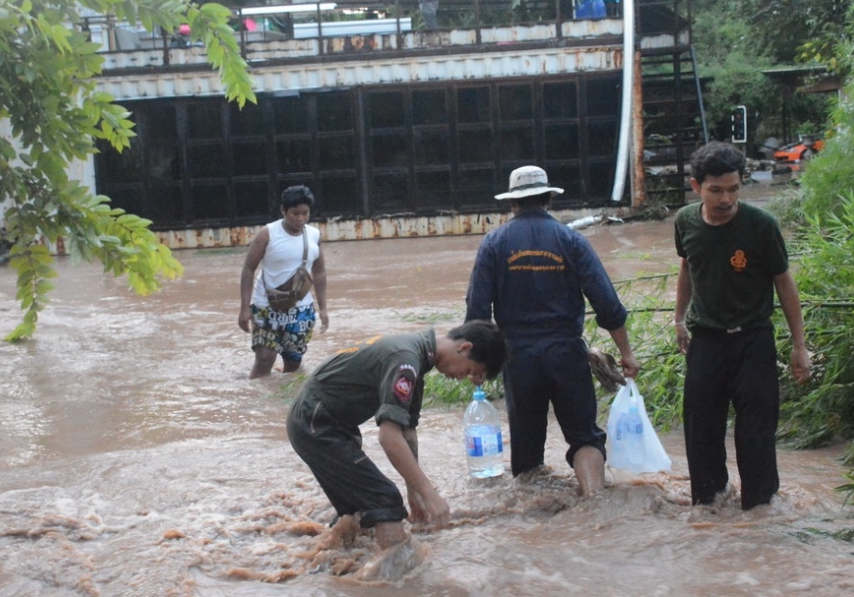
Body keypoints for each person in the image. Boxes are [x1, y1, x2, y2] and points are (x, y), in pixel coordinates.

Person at [465, 165, 638, 497]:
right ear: (548, 199)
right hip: (567, 354)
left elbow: (477, 312)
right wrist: (626, 353)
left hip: (518, 358)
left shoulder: (495, 243)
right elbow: (607, 303)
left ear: (513, 203)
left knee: (527, 442)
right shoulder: (571, 240)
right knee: (584, 436)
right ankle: (594, 502)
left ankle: (533, 521)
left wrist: (479, 365)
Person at [286, 321, 509, 550]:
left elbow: (407, 431)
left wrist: (414, 492)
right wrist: (429, 493)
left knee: (357, 513)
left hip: (327, 424)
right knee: (384, 499)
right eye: (470, 371)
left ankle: (330, 569)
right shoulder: (407, 360)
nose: (462, 378)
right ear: (464, 347)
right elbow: (388, 437)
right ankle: (398, 580)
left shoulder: (417, 360)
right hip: (315, 424)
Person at [673, 141, 812, 510]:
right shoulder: (685, 221)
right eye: (716, 190)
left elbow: (785, 282)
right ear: (695, 187)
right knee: (701, 433)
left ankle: (760, 512)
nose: (726, 198)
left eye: (734, 188)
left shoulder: (760, 225)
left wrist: (800, 346)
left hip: (753, 339)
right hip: (706, 341)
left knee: (756, 436)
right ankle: (708, 507)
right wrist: (678, 318)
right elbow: (687, 267)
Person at [238, 185, 329, 378]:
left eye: (305, 213)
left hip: (301, 309)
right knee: (264, 359)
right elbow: (248, 269)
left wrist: (323, 308)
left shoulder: (314, 235)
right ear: (283, 211)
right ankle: (256, 401)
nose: (300, 218)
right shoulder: (267, 234)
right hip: (266, 306)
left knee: (293, 363)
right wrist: (245, 308)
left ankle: (284, 404)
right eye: (295, 213)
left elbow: (319, 272)